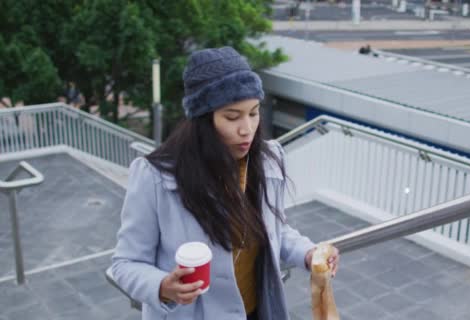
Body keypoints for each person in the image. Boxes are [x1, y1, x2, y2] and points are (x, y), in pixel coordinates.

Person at [111, 47, 340, 320]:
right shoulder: (155, 176)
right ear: (203, 120)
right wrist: (162, 287)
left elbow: (274, 230)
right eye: (232, 117)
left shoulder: (267, 159)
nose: (247, 129)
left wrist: (308, 253)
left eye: (254, 113)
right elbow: (126, 263)